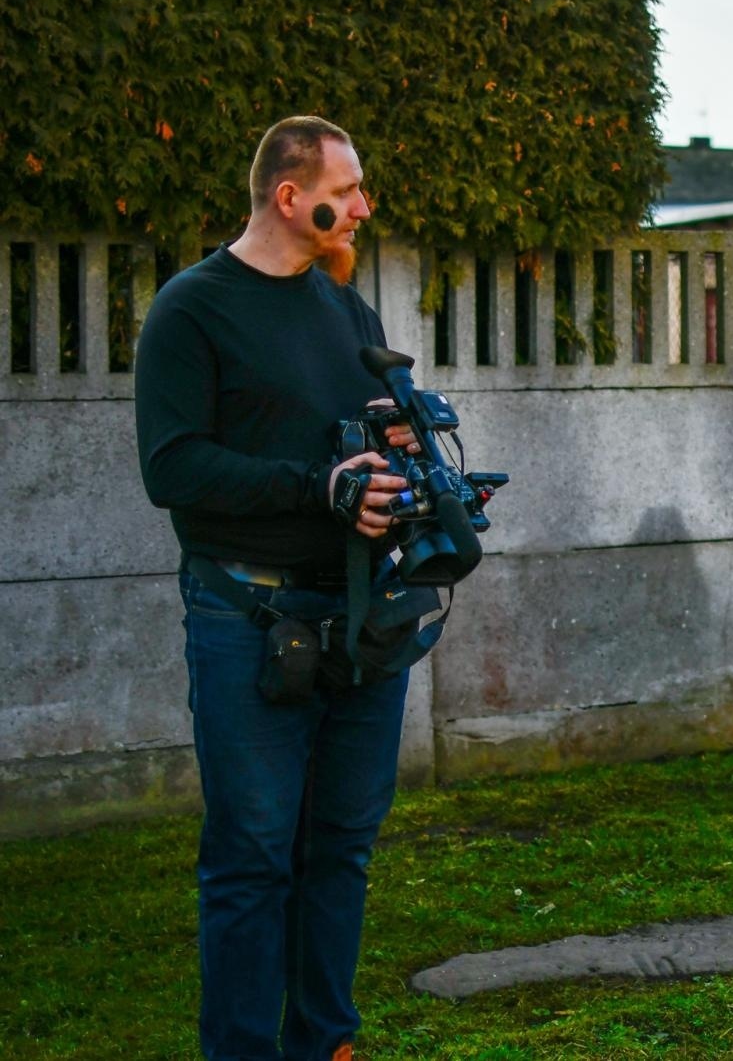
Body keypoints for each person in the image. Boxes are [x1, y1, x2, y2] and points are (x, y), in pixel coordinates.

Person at [135, 115, 422, 1061]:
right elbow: (173, 469)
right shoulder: (192, 308)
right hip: (246, 618)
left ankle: (326, 1044)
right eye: (352, 187)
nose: (366, 206)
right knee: (253, 862)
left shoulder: (348, 311)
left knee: (340, 847)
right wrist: (320, 487)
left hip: (360, 616)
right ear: (293, 198)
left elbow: (364, 442)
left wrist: (396, 454)